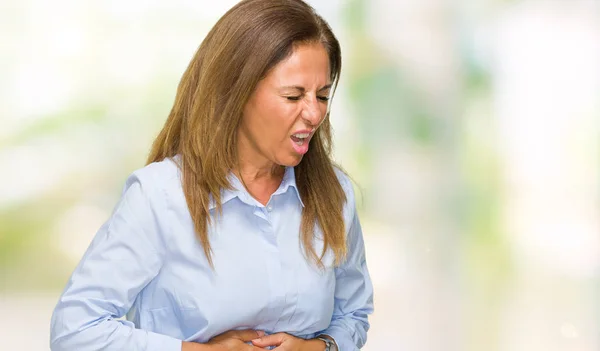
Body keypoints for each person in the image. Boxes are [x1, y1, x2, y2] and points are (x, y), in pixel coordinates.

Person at [50, 0, 374, 350]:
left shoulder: (334, 195)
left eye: (323, 95)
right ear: (236, 92)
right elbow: (75, 331)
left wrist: (318, 347)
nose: (314, 113)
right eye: (293, 96)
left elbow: (353, 313)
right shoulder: (160, 196)